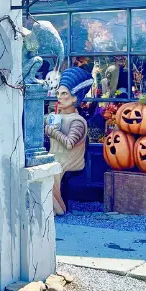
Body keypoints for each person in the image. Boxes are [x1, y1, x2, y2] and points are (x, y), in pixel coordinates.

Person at [44, 67, 92, 215]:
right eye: (58, 93)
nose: (59, 97)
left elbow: (70, 143)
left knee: (52, 171)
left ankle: (57, 208)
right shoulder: (54, 116)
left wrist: (54, 132)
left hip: (70, 159)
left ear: (74, 98)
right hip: (54, 155)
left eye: (64, 93)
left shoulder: (78, 121)